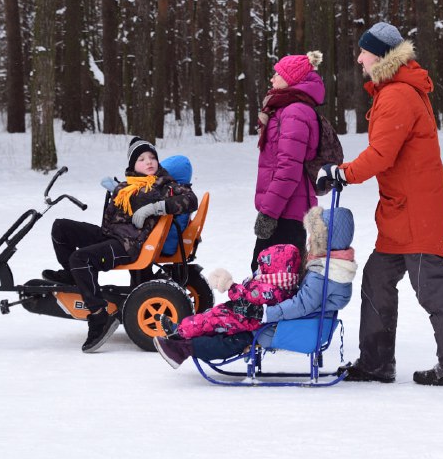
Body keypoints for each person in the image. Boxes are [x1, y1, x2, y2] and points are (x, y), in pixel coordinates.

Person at [317, 21, 443, 386]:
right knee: (377, 279)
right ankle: (375, 363)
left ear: (380, 55)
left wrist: (342, 173)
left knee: (432, 288)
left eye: (364, 52)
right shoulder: (394, 91)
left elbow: (381, 155)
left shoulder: (397, 95)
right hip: (401, 211)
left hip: (416, 212)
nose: (359, 59)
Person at [43, 137, 198, 353]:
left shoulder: (164, 185)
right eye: (142, 159)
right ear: (133, 165)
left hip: (129, 244)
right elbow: (124, 210)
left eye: (152, 157)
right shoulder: (129, 186)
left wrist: (156, 207)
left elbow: (190, 200)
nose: (149, 162)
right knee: (60, 227)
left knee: (81, 259)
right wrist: (117, 190)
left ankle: (99, 316)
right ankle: (73, 275)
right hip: (110, 235)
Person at [153, 206, 357, 369]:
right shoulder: (325, 268)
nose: (310, 239)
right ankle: (182, 335)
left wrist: (266, 313)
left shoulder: (324, 274)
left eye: (315, 235)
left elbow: (302, 305)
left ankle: (183, 348)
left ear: (325, 240)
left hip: (292, 328)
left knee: (237, 335)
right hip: (296, 325)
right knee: (230, 319)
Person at [252, 51, 325, 272]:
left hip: (286, 211)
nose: (272, 79)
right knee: (268, 276)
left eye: (277, 74)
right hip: (284, 208)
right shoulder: (285, 109)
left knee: (271, 278)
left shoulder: (295, 112)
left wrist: (269, 213)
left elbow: (288, 169)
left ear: (292, 79)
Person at [155, 244, 301, 344]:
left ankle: (179, 332)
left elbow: (246, 297)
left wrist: (230, 285)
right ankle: (182, 328)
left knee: (210, 321)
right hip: (240, 314)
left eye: (264, 267)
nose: (260, 270)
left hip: (243, 320)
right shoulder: (279, 285)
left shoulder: (270, 289)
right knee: (211, 314)